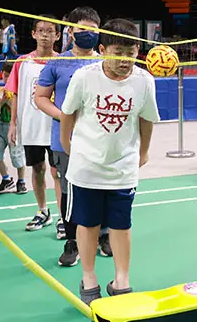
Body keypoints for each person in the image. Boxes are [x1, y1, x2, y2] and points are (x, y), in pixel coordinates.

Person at [59, 19, 160, 304]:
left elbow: (147, 119)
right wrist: (67, 145)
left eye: (131, 53)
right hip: (86, 167)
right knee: (88, 224)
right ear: (103, 50)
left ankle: (122, 280)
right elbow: (67, 113)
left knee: (121, 225)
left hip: (123, 167)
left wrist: (143, 152)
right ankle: (89, 278)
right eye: (118, 52)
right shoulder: (84, 77)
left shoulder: (144, 80)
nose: (125, 60)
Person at [35, 7, 106, 266]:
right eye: (82, 29)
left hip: (101, 139)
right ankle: (72, 241)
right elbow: (40, 97)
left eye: (93, 30)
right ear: (70, 31)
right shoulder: (57, 63)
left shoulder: (106, 62)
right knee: (69, 191)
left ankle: (104, 235)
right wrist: (64, 117)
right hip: (65, 140)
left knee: (102, 187)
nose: (88, 34)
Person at [6, 17, 61, 220]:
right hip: (31, 127)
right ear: (33, 34)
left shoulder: (62, 62)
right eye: (41, 31)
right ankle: (43, 210)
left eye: (50, 31)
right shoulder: (22, 63)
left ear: (57, 36)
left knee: (57, 172)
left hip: (56, 127)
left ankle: (63, 218)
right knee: (37, 169)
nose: (45, 35)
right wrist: (13, 124)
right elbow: (16, 94)